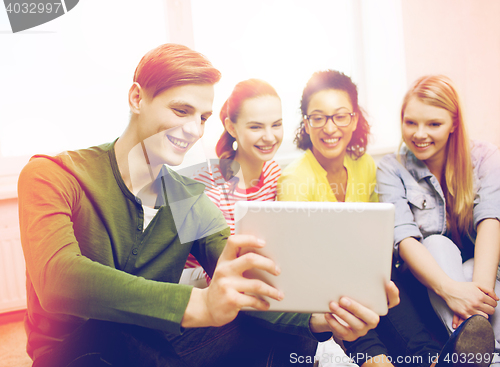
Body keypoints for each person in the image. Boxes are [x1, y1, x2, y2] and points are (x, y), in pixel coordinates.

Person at [18, 44, 399, 367]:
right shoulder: (53, 175)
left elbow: (243, 279)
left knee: (294, 339)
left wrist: (321, 317)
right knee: (109, 336)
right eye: (181, 111)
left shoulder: (186, 198)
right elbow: (58, 278)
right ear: (137, 98)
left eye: (202, 118)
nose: (194, 130)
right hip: (79, 350)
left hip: (155, 343)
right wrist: (198, 304)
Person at [278, 70, 494, 367]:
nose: (330, 127)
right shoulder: (295, 180)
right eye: (318, 117)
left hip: (371, 275)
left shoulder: (364, 165)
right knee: (359, 286)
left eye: (340, 116)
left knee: (387, 280)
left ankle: (432, 360)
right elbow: (301, 262)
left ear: (354, 119)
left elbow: (378, 239)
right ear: (307, 124)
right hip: (329, 283)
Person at [377, 75, 500, 365]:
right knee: (437, 244)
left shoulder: (485, 157)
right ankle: (469, 349)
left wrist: (477, 305)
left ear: (454, 124)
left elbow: (490, 222)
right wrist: (451, 290)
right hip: (432, 285)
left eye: (434, 124)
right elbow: (404, 238)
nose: (420, 134)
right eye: (410, 123)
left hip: (482, 281)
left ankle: (479, 345)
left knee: (473, 266)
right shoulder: (391, 168)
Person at [182, 78, 282, 286]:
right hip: (204, 287)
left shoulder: (274, 173)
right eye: (256, 127)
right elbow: (216, 270)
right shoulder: (211, 187)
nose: (270, 137)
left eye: (277, 125)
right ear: (232, 127)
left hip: (255, 279)